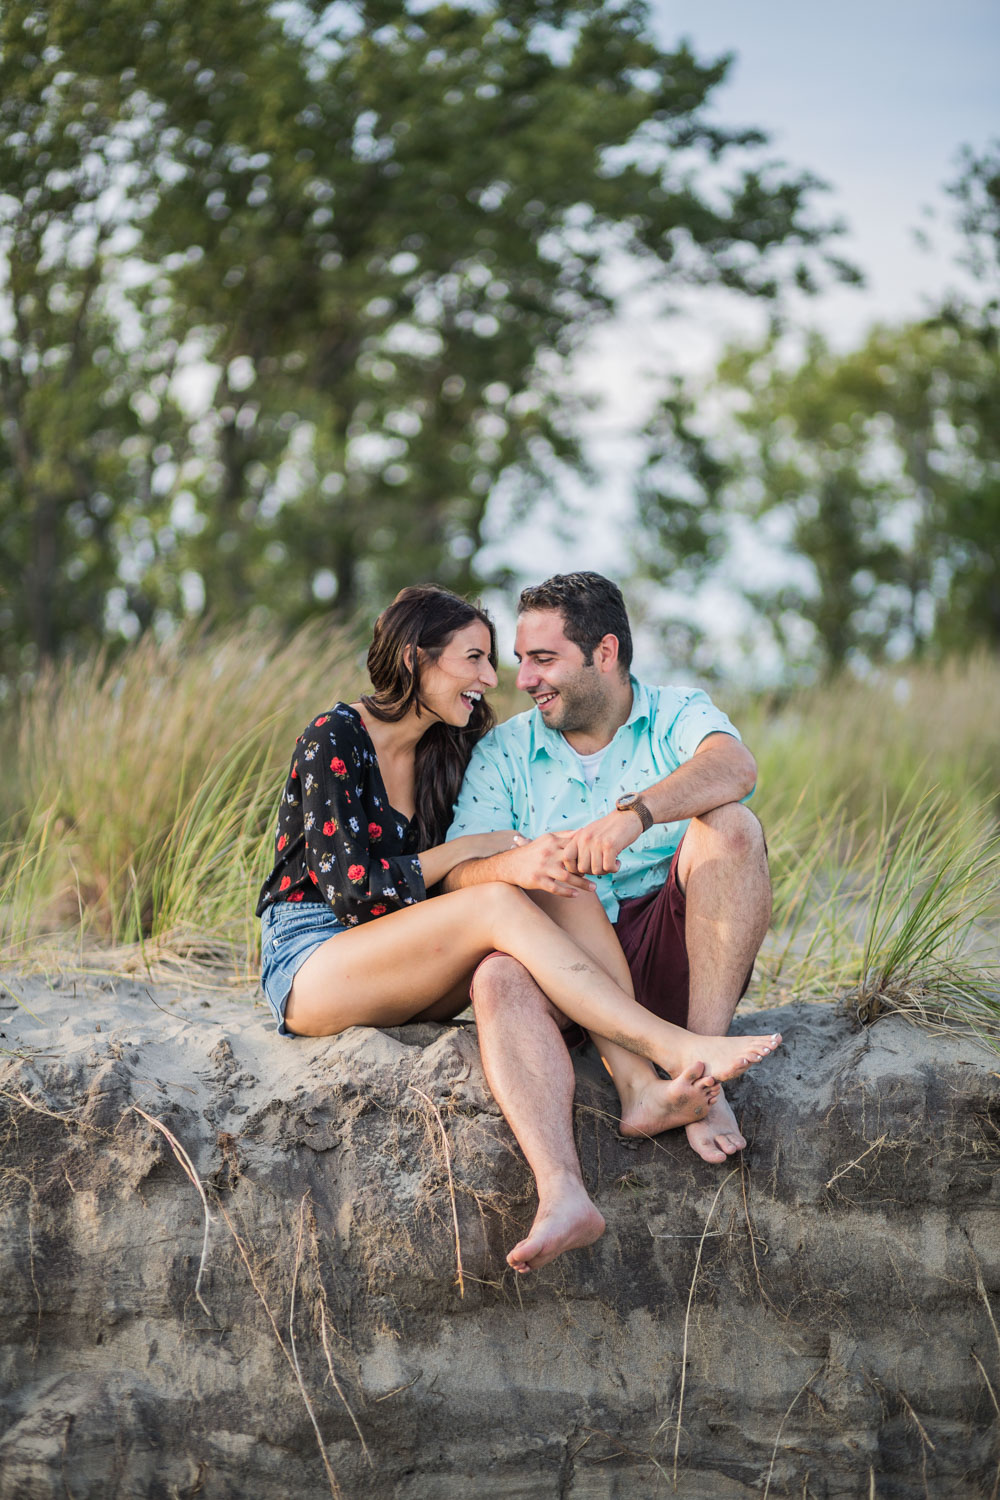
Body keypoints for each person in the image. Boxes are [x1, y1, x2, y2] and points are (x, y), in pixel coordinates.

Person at [257, 583, 781, 1270]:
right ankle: (659, 1059)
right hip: (318, 948)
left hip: (453, 945)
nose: (499, 678)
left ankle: (642, 1088)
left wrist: (570, 842)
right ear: (418, 658)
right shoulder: (339, 736)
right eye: (477, 658)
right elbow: (356, 891)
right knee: (508, 896)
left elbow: (735, 769)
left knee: (562, 872)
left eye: (521, 658)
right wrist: (482, 855)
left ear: (605, 652)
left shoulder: (453, 745)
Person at [444, 572, 775, 1267]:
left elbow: (735, 767)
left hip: (673, 945)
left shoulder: (677, 711)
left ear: (604, 652)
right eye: (520, 659)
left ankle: (699, 1076)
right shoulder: (503, 751)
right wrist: (520, 866)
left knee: (733, 827)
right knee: (499, 970)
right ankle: (561, 1191)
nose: (524, 678)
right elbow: (458, 873)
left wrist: (636, 816)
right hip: (566, 972)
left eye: (543, 659)